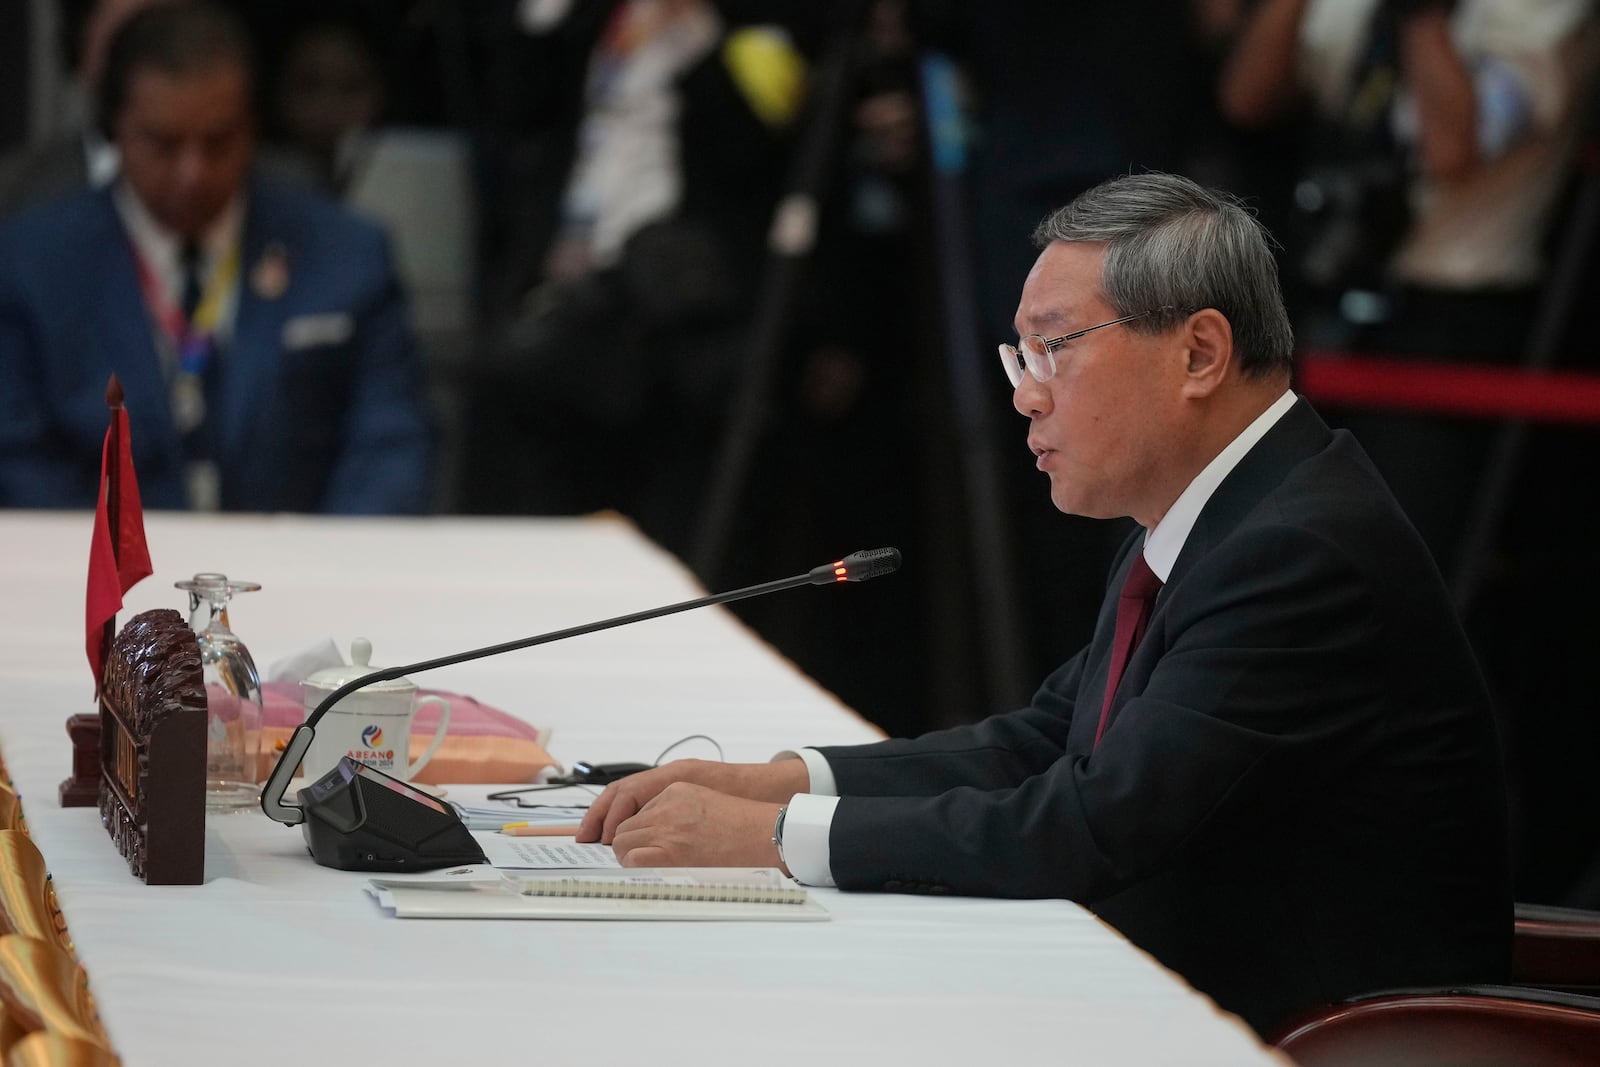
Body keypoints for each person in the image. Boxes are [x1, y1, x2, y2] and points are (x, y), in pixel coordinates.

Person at [576, 172, 1513, 1036]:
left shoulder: (1300, 550)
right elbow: (1040, 743)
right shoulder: (1226, 509)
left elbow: (1094, 822)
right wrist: (774, 782)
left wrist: (772, 839)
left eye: (1053, 349)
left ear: (1199, 351)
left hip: (1319, 1038)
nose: (1025, 396)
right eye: (1017, 353)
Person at [0, 0, 434, 513]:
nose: (193, 173)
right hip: (100, 579)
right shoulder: (34, 263)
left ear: (252, 128)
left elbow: (390, 442)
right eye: (165, 144)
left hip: (302, 571)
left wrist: (329, 571)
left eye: (218, 142)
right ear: (116, 130)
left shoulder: (345, 254)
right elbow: (18, 456)